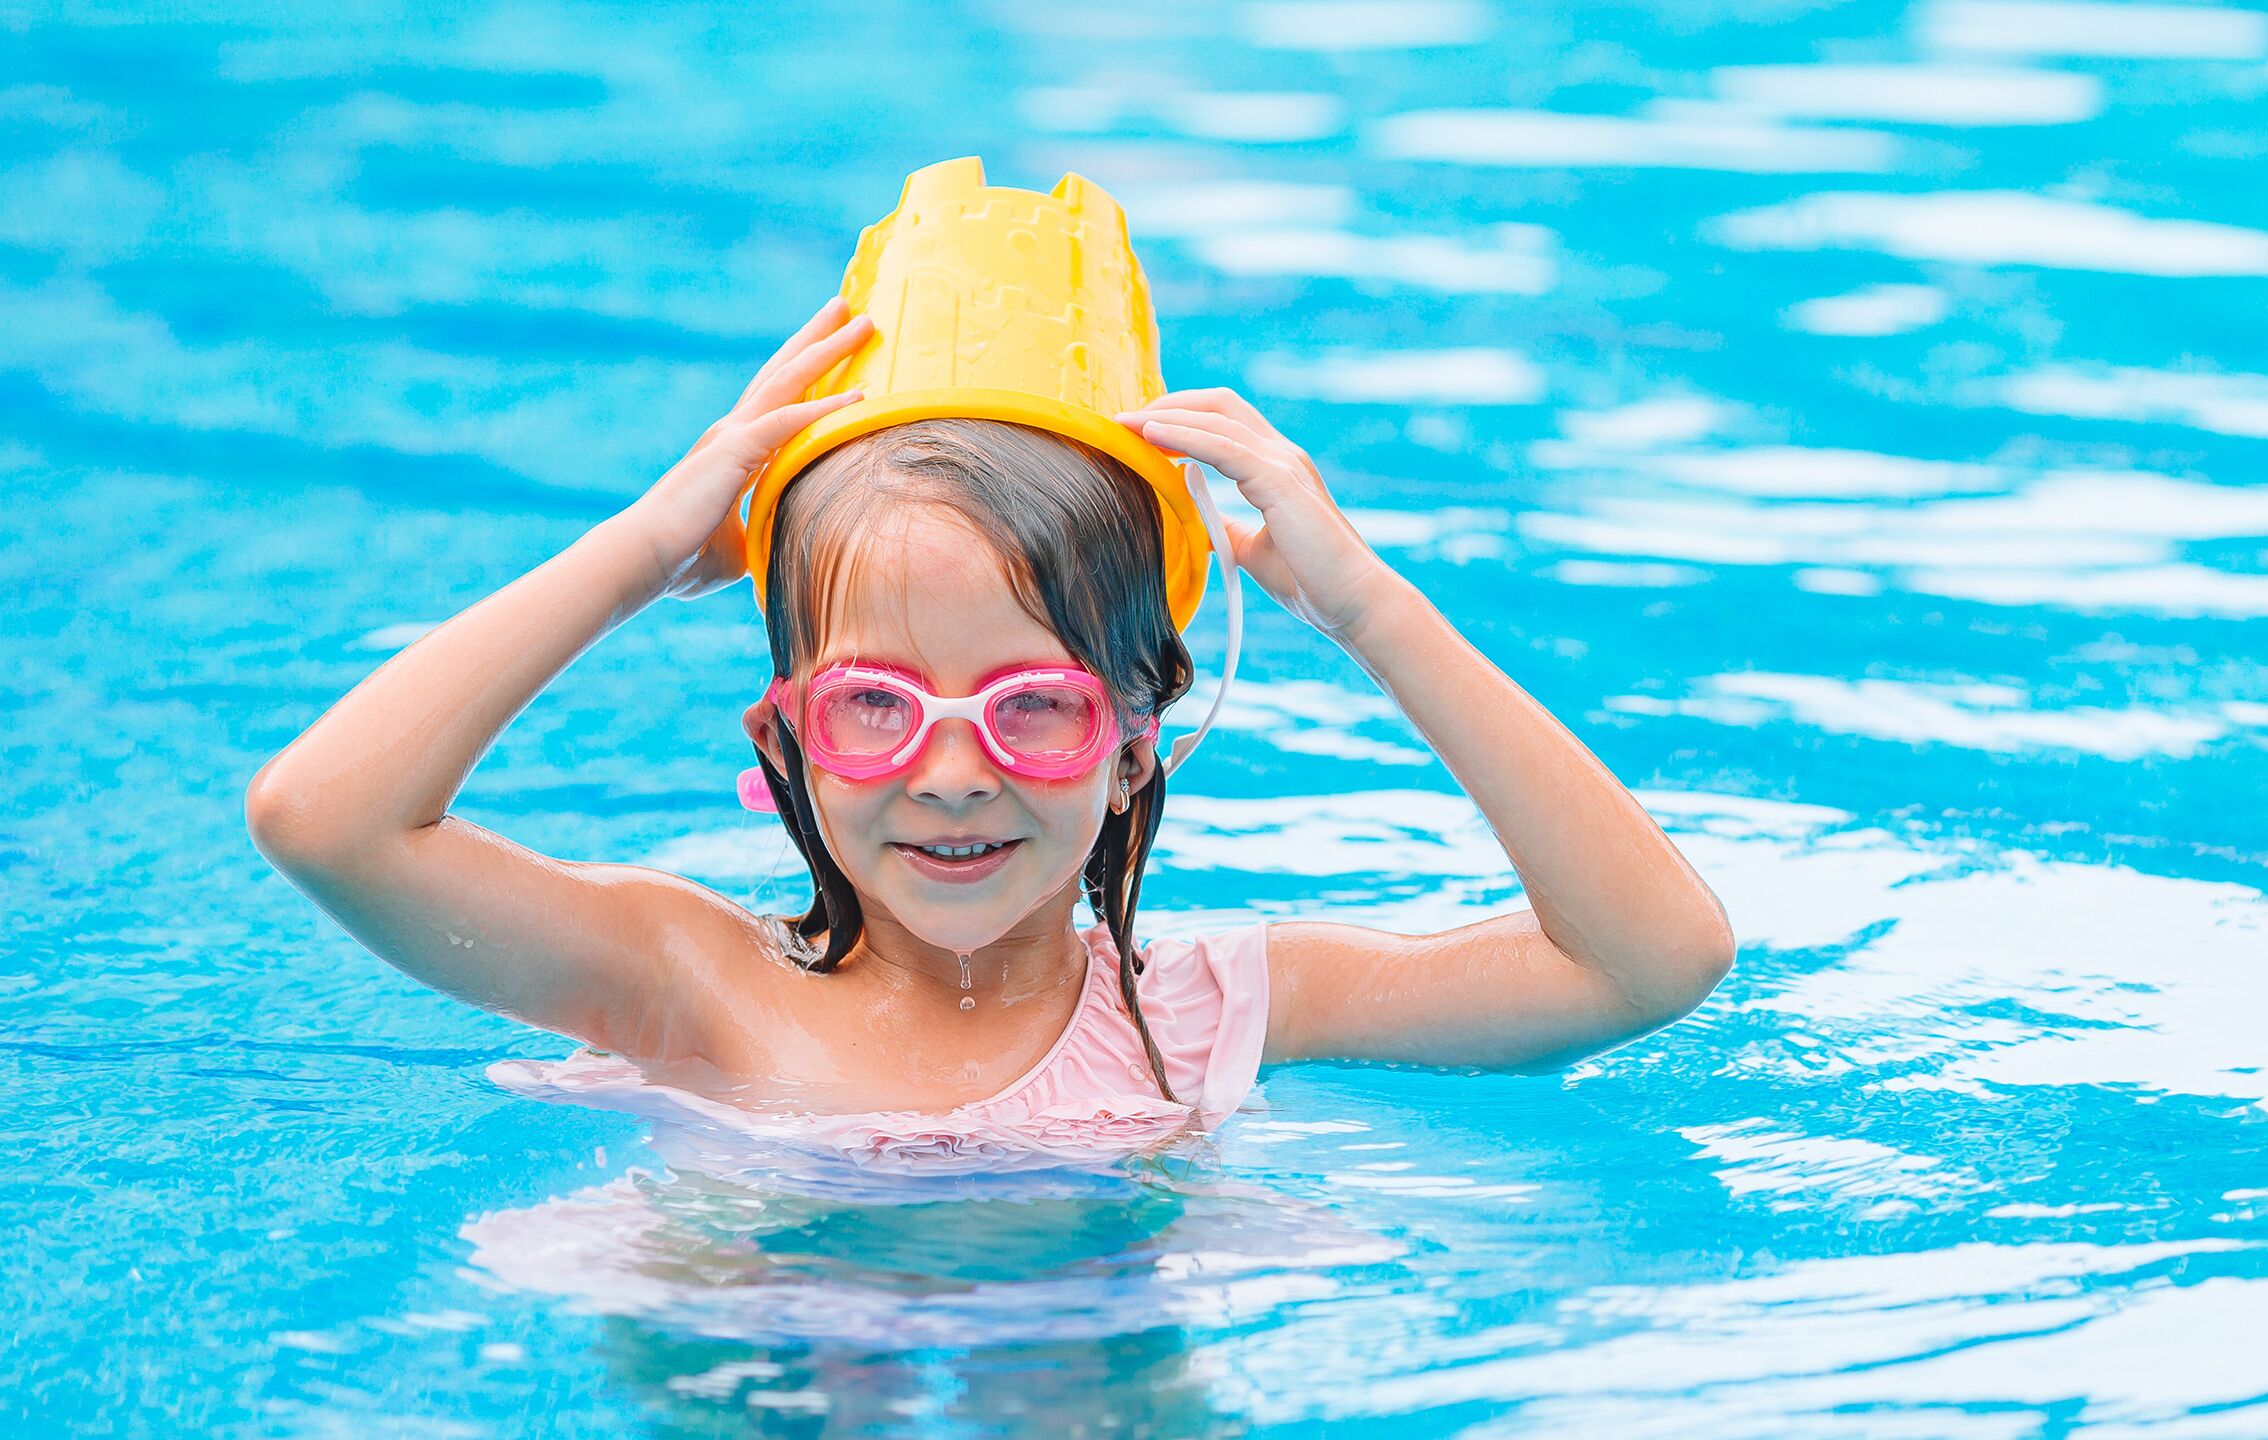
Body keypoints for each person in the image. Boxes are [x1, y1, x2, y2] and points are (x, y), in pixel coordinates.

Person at [245, 297, 1736, 1171]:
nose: (952, 771)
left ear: (1137, 741)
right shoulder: (683, 986)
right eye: (873, 706)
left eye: (1035, 707)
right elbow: (325, 820)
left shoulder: (1213, 1019)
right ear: (788, 744)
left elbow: (1647, 962)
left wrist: (1368, 610)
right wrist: (644, 544)